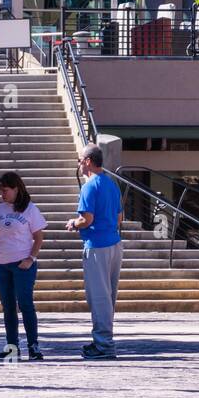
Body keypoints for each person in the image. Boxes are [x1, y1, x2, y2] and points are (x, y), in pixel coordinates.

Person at [65, 144, 123, 360]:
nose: (79, 164)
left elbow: (86, 219)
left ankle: (104, 345)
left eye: (80, 160)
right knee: (109, 297)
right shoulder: (111, 184)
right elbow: (119, 218)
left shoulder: (89, 187)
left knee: (98, 297)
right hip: (115, 245)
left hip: (97, 245)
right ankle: (103, 340)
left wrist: (74, 222)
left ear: (88, 161)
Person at [0, 172, 46, 361]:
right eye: (0, 191)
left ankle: (33, 347)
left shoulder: (30, 209)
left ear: (16, 188)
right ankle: (12, 348)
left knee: (25, 304)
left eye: (5, 190)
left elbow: (39, 237)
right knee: (8, 307)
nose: (2, 194)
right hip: (1, 265)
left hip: (22, 265)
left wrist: (31, 258)